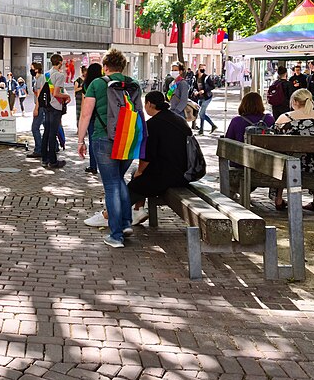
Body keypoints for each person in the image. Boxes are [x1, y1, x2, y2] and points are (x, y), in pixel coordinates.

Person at [77, 48, 136, 248]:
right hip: (128, 139)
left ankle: (116, 234)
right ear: (123, 66)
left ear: (105, 67)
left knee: (111, 185)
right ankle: (127, 223)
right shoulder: (133, 84)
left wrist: (80, 140)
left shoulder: (97, 83)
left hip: (104, 138)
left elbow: (86, 115)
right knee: (120, 180)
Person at [126, 91, 193, 223]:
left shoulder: (152, 124)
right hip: (185, 172)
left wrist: (140, 171)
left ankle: (109, 215)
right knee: (138, 175)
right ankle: (138, 211)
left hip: (167, 176)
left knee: (135, 183)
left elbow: (147, 156)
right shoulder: (179, 119)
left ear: (149, 104)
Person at [272, 88, 314, 212]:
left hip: (293, 166)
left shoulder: (285, 118)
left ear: (295, 102)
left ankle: (278, 198)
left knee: (280, 156)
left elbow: (272, 141)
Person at [42, 53, 70, 169]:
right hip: (55, 106)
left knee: (47, 132)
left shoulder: (47, 74)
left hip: (47, 105)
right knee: (53, 133)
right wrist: (67, 96)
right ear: (60, 63)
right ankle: (53, 161)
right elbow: (56, 93)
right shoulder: (59, 75)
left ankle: (45, 158)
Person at [81, 63, 103, 175]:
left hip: (92, 117)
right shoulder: (103, 83)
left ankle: (93, 165)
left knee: (92, 142)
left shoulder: (87, 84)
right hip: (103, 116)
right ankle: (102, 165)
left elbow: (85, 104)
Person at [27, 61, 46, 159]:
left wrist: (36, 108)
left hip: (41, 106)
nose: (30, 70)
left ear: (36, 69)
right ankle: (53, 146)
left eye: (32, 68)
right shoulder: (38, 78)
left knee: (35, 128)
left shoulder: (40, 79)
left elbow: (39, 95)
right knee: (47, 126)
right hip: (43, 106)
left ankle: (39, 150)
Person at [191, 64, 217, 135]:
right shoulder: (195, 77)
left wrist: (204, 91)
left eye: (204, 69)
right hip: (199, 97)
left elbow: (213, 86)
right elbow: (194, 87)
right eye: (201, 68)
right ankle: (201, 130)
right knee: (202, 114)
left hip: (207, 97)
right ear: (198, 69)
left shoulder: (207, 77)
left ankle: (213, 125)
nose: (203, 70)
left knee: (201, 113)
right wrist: (195, 91)